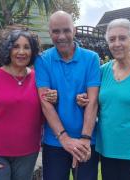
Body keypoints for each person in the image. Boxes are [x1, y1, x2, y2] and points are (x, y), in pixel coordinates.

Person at [77, 18, 130, 180]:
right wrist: (84, 99)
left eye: (122, 38)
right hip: (106, 151)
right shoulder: (102, 71)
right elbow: (96, 103)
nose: (116, 43)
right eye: (112, 39)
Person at [0, 29, 57, 180]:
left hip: (28, 153)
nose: (21, 52)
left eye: (26, 47)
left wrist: (54, 99)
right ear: (8, 49)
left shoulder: (39, 79)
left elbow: (46, 114)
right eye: (16, 46)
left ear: (32, 51)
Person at [34, 10, 101, 180]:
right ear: (50, 33)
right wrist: (64, 138)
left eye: (66, 30)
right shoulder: (42, 60)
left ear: (74, 31)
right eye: (56, 31)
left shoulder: (91, 58)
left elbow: (92, 101)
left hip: (87, 141)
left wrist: (85, 138)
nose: (61, 36)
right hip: (55, 141)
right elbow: (45, 103)